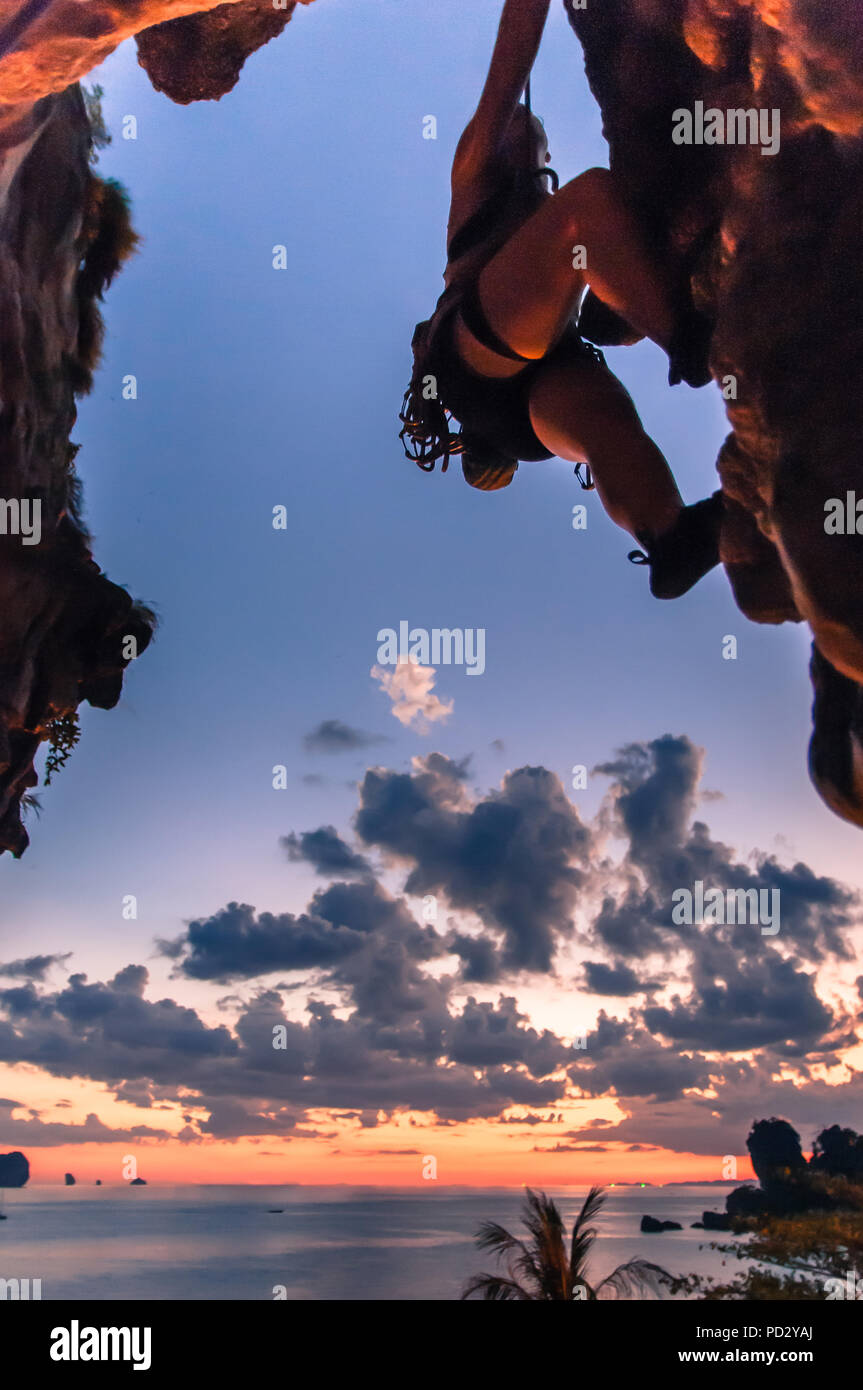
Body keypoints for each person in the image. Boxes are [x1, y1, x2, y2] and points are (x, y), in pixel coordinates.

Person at [399, 0, 722, 600]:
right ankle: (691, 340)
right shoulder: (475, 166)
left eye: (539, 142)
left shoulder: (536, 209)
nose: (528, 135)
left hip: (524, 386)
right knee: (588, 206)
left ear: (545, 162)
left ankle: (671, 539)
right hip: (475, 356)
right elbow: (509, 73)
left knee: (610, 432)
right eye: (523, 135)